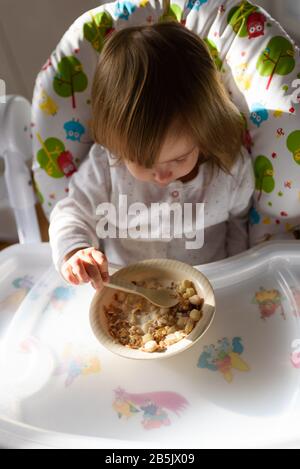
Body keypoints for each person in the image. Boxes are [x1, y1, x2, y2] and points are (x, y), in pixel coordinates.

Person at [49, 22, 255, 290]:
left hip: (211, 290)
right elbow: (71, 212)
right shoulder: (107, 165)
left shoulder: (229, 168)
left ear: (204, 135)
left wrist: (238, 279)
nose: (161, 175)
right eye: (143, 162)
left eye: (179, 158)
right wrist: (75, 251)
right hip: (125, 293)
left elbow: (240, 226)